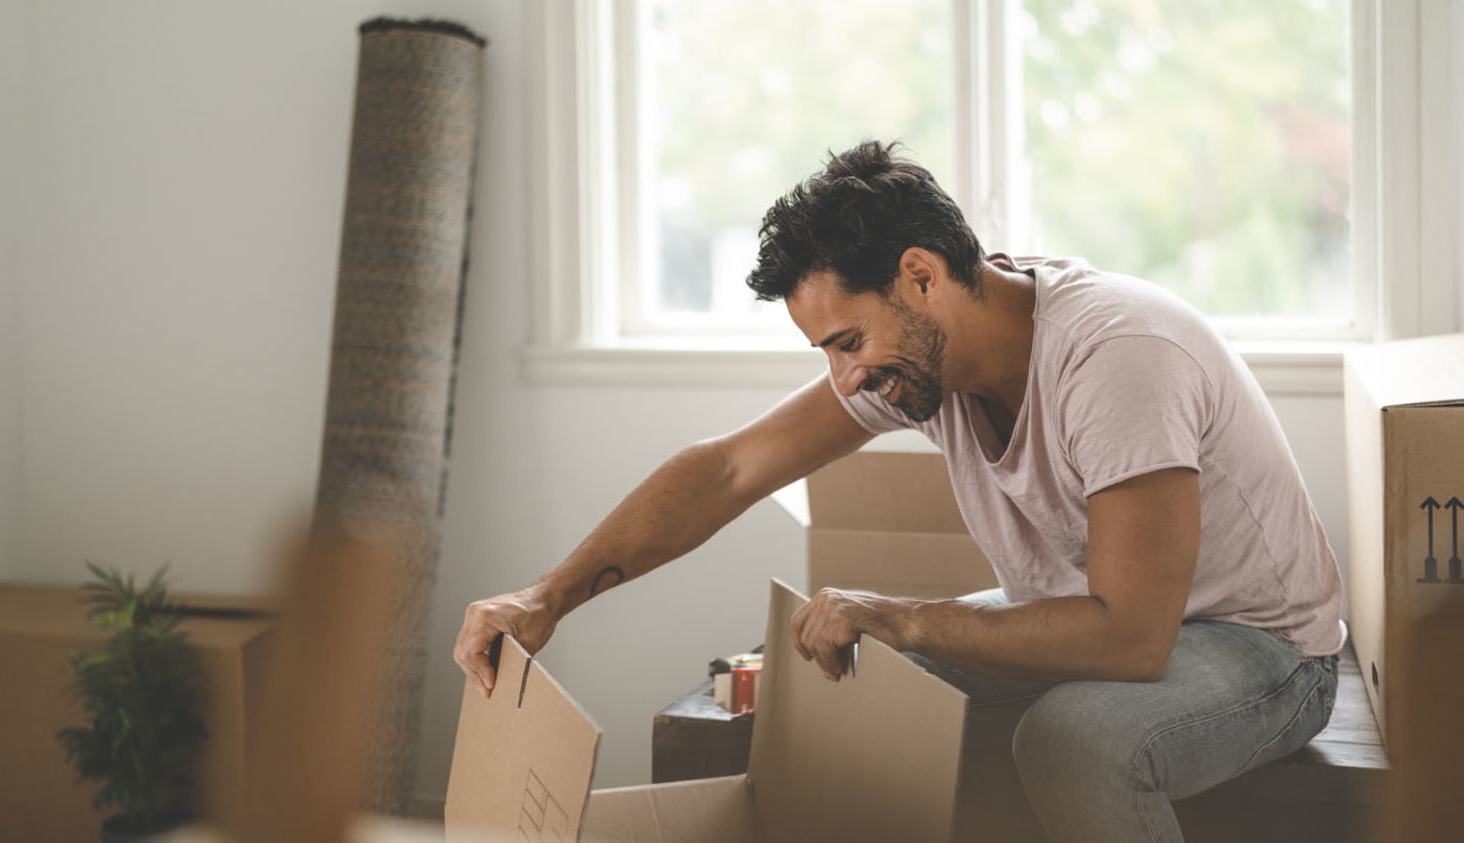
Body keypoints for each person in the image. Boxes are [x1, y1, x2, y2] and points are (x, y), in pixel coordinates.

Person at [454, 140, 1344, 842]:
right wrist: (548, 596)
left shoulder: (1118, 357)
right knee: (851, 677)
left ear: (922, 275)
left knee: (1073, 739)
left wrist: (899, 612)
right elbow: (728, 468)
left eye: (847, 342)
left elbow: (1130, 636)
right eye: (827, 354)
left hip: (1261, 650)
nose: (844, 380)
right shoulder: (926, 359)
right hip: (1097, 613)